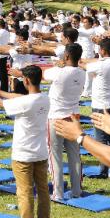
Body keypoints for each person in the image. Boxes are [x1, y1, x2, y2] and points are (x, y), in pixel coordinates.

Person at [0, 65, 50, 218]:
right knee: (42, 190)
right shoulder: (45, 98)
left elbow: (1, 105)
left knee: (25, 192)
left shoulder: (26, 102)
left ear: (26, 81)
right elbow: (19, 97)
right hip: (41, 152)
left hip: (23, 154)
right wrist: (0, 92)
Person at [40, 42, 84, 200]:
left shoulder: (59, 72)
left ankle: (58, 193)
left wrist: (59, 66)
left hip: (56, 117)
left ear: (66, 56)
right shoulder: (81, 73)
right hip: (73, 117)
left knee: (55, 157)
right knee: (74, 155)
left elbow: (44, 74)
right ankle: (77, 191)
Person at [82, 37, 110, 178]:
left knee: (101, 140)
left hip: (100, 105)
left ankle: (103, 171)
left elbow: (86, 66)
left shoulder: (100, 64)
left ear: (102, 50)